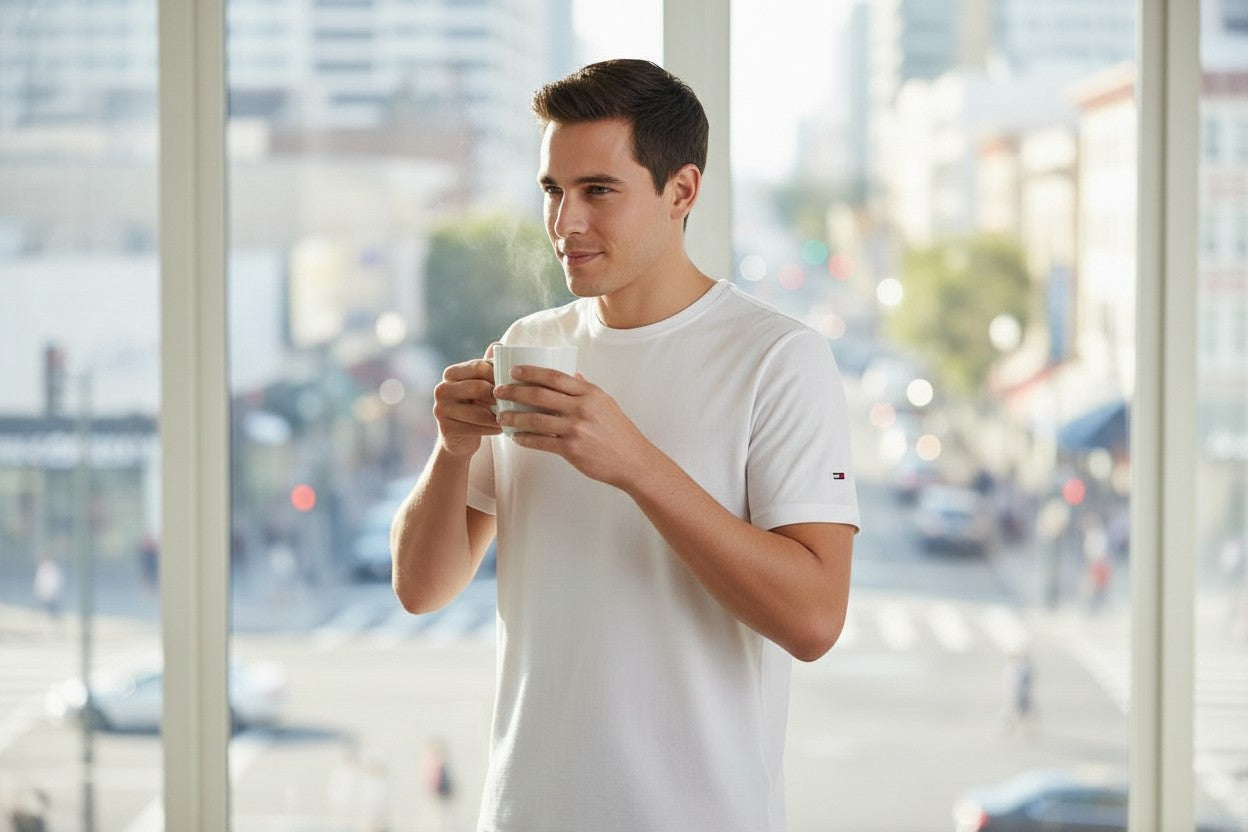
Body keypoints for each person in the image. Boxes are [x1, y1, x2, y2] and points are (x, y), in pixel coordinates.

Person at [391, 58, 860, 832]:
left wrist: (634, 464)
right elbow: (421, 588)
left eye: (597, 191)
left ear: (681, 192)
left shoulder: (778, 359)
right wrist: (453, 450)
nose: (564, 222)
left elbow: (814, 620)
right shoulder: (529, 346)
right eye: (553, 190)